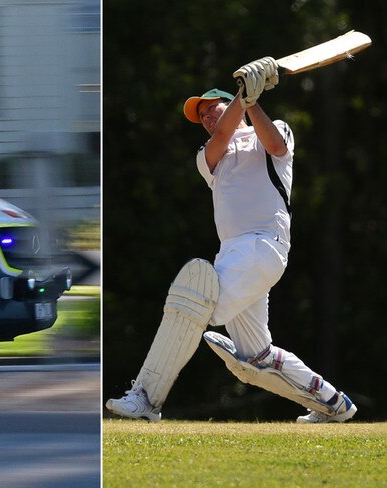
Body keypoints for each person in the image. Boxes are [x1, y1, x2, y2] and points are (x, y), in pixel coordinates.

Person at [106, 57, 357, 424]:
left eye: (213, 108)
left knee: (191, 304)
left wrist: (250, 101)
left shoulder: (276, 130)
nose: (208, 117)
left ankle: (146, 398)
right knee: (256, 356)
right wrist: (244, 97)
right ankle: (333, 404)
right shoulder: (209, 158)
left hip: (263, 246)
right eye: (202, 115)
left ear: (232, 103)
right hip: (235, 253)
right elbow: (221, 135)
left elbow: (273, 146)